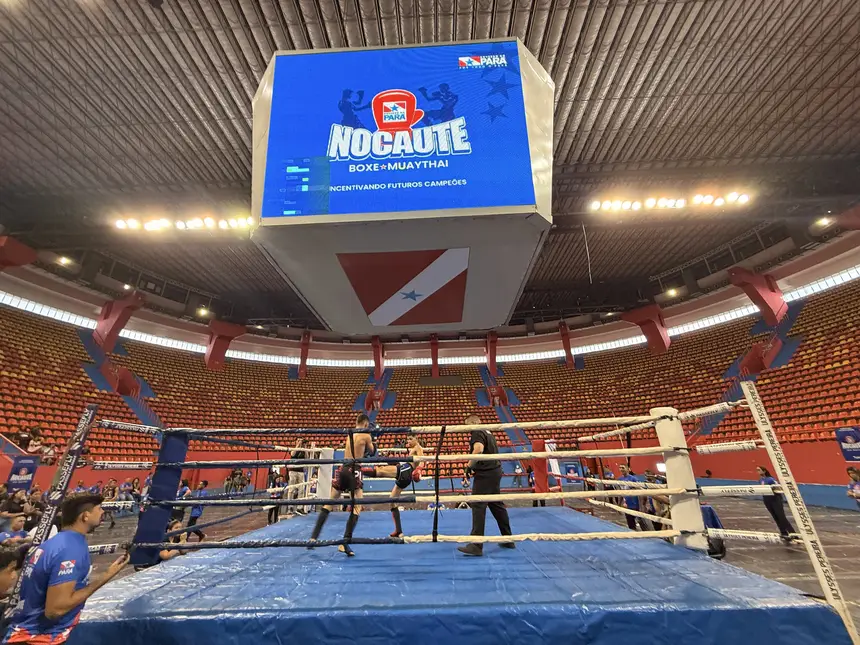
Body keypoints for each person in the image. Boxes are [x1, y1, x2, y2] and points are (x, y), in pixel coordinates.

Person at [4, 494, 129, 644]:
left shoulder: (59, 542)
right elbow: (55, 610)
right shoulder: (70, 549)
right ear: (85, 516)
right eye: (99, 508)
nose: (103, 512)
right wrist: (106, 576)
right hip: (40, 639)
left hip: (31, 634)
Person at [309, 413, 374, 556]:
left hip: (342, 469)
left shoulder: (349, 434)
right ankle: (344, 542)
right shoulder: (366, 435)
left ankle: (313, 537)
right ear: (365, 424)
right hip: (354, 469)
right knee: (357, 506)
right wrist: (373, 438)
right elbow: (373, 451)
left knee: (329, 503)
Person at [458, 415, 514, 557]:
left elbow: (478, 449)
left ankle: (476, 545)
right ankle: (508, 539)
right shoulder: (488, 432)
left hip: (486, 474)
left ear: (471, 423)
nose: (467, 430)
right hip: (495, 471)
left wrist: (469, 466)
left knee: (478, 504)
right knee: (496, 505)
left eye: (467, 426)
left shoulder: (477, 432)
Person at [371, 436, 424, 537]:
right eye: (407, 439)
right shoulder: (413, 449)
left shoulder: (418, 447)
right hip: (406, 472)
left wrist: (419, 469)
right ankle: (398, 530)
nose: (408, 441)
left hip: (406, 471)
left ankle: (359, 470)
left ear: (416, 439)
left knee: (381, 471)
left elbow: (422, 460)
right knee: (392, 502)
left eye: (411, 439)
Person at [757, 466, 795, 539]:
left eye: (759, 470)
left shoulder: (771, 479)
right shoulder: (761, 480)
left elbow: (778, 487)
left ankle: (792, 533)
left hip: (775, 500)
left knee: (781, 517)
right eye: (757, 470)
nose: (758, 471)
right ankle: (783, 532)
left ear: (764, 471)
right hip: (767, 500)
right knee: (775, 517)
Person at [618, 465, 649, 531]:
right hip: (627, 505)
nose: (621, 469)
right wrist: (619, 505)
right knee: (631, 525)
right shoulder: (620, 479)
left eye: (623, 468)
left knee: (643, 524)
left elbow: (641, 492)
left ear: (628, 469)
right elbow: (620, 493)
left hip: (636, 505)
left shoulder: (633, 479)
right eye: (619, 468)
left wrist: (643, 505)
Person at [287, 439, 308, 515]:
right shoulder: (293, 448)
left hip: (300, 471)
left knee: (301, 489)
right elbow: (292, 454)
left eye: (300, 440)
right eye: (298, 440)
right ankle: (290, 507)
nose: (300, 441)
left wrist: (305, 448)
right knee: (291, 489)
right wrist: (297, 445)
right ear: (295, 441)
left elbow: (307, 458)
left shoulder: (303, 450)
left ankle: (299, 507)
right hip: (293, 470)